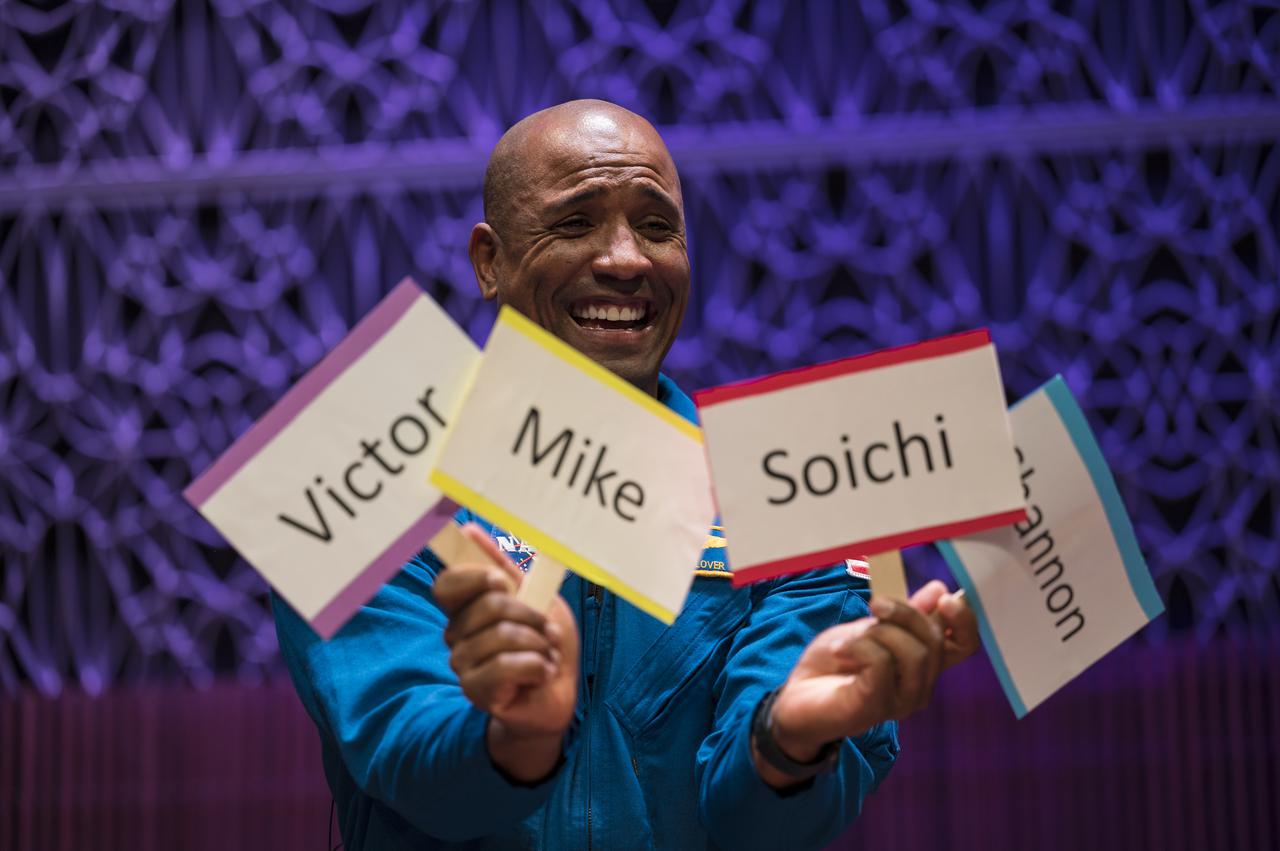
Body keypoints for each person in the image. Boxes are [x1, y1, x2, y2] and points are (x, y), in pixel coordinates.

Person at [273, 99, 979, 850]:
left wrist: (788, 740)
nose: (626, 259)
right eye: (576, 223)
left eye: (656, 226)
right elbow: (405, 757)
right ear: (490, 260)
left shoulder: (790, 484)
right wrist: (518, 735)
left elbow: (760, 824)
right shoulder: (367, 474)